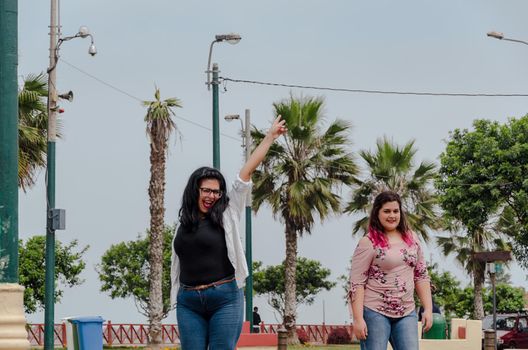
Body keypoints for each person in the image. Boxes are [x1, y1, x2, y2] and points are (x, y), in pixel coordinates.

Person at [170, 116, 287, 350]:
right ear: (195, 190)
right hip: (188, 300)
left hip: (224, 297)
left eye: (216, 192)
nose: (212, 196)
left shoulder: (227, 210)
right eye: (206, 190)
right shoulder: (183, 222)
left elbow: (246, 173)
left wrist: (270, 137)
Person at [348, 191, 433, 350]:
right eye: (386, 211)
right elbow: (356, 283)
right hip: (375, 312)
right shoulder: (368, 242)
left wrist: (428, 309)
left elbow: (421, 275)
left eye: (395, 211)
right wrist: (358, 319)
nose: (392, 215)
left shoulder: (412, 238)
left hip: (406, 312)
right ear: (377, 213)